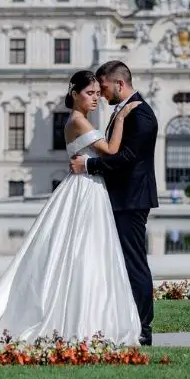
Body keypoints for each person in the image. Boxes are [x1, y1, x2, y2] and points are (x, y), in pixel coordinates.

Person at [0, 70, 142, 346]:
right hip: (85, 189)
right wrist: (121, 117)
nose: (96, 98)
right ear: (75, 94)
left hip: (88, 187)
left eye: (98, 93)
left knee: (85, 252)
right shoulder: (78, 121)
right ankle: (83, 317)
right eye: (90, 93)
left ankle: (84, 314)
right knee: (85, 251)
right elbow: (111, 150)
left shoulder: (80, 120)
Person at [70, 60, 159, 346]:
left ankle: (143, 328)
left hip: (131, 199)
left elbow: (126, 158)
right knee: (120, 262)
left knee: (134, 263)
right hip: (119, 198)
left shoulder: (141, 114)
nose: (102, 94)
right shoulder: (124, 111)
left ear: (119, 84)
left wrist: (89, 165)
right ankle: (125, 320)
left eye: (104, 88)